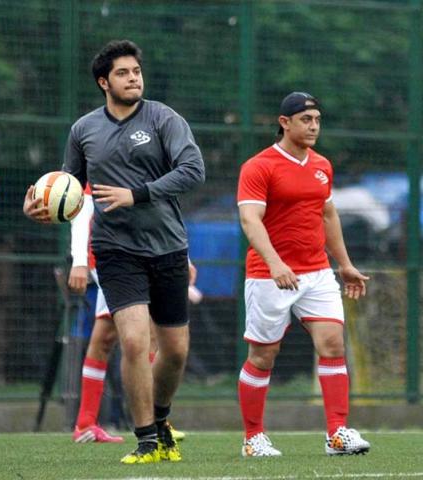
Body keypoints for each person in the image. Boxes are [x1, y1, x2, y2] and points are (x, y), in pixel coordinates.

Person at [24, 39, 205, 464]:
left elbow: (193, 170)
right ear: (104, 82)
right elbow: (67, 187)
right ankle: (145, 439)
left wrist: (136, 194)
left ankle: (161, 420)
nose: (133, 79)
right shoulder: (84, 129)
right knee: (133, 341)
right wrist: (40, 206)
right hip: (116, 251)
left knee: (175, 351)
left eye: (136, 72)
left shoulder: (163, 118)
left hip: (168, 248)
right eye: (123, 73)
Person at [236, 92, 371, 457]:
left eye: (317, 119)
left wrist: (344, 264)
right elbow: (250, 219)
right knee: (263, 356)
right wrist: (276, 262)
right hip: (268, 274)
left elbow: (327, 216)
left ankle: (337, 434)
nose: (313, 126)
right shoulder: (259, 166)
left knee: (332, 344)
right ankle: (252, 438)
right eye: (306, 119)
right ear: (285, 123)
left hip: (317, 272)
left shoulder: (322, 165)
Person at [68, 187, 195, 444]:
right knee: (144, 330)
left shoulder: (151, 156)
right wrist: (78, 259)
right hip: (115, 259)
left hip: (145, 253)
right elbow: (82, 209)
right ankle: (152, 421)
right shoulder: (106, 153)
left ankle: (87, 423)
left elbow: (160, 210)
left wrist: (184, 256)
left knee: (106, 335)